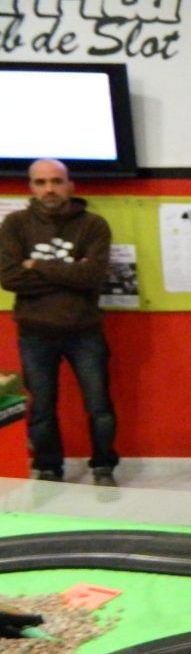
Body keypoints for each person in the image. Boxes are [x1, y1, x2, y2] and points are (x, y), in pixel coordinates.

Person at [0, 159, 118, 486]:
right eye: (41, 182)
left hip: (85, 332)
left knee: (99, 406)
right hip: (35, 333)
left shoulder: (93, 225)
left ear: (70, 185)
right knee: (41, 409)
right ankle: (49, 469)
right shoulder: (15, 224)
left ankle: (103, 467)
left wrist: (36, 264)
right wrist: (71, 273)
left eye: (56, 181)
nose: (49, 189)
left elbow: (92, 275)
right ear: (31, 187)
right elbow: (9, 278)